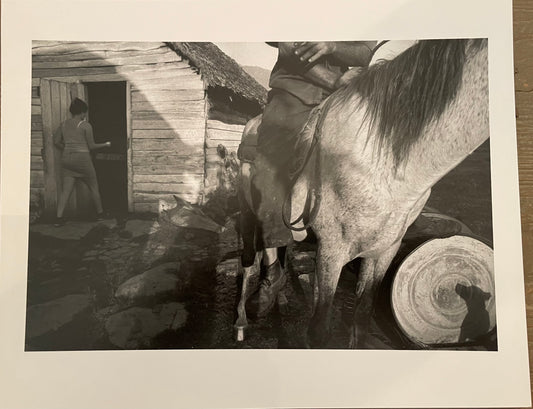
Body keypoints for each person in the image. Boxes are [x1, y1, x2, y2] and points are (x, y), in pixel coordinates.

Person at [247, 41, 376, 317]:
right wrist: (334, 78)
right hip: (293, 95)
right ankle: (272, 269)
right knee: (268, 171)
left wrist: (332, 46)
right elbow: (284, 44)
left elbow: (366, 51)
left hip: (344, 98)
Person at [53, 97, 111, 226]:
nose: (85, 115)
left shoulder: (63, 124)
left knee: (66, 191)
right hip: (82, 160)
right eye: (85, 112)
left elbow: (56, 141)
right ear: (81, 112)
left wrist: (67, 148)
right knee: (93, 187)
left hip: (67, 159)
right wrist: (106, 144)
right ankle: (100, 214)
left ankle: (58, 218)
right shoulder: (85, 126)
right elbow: (91, 146)